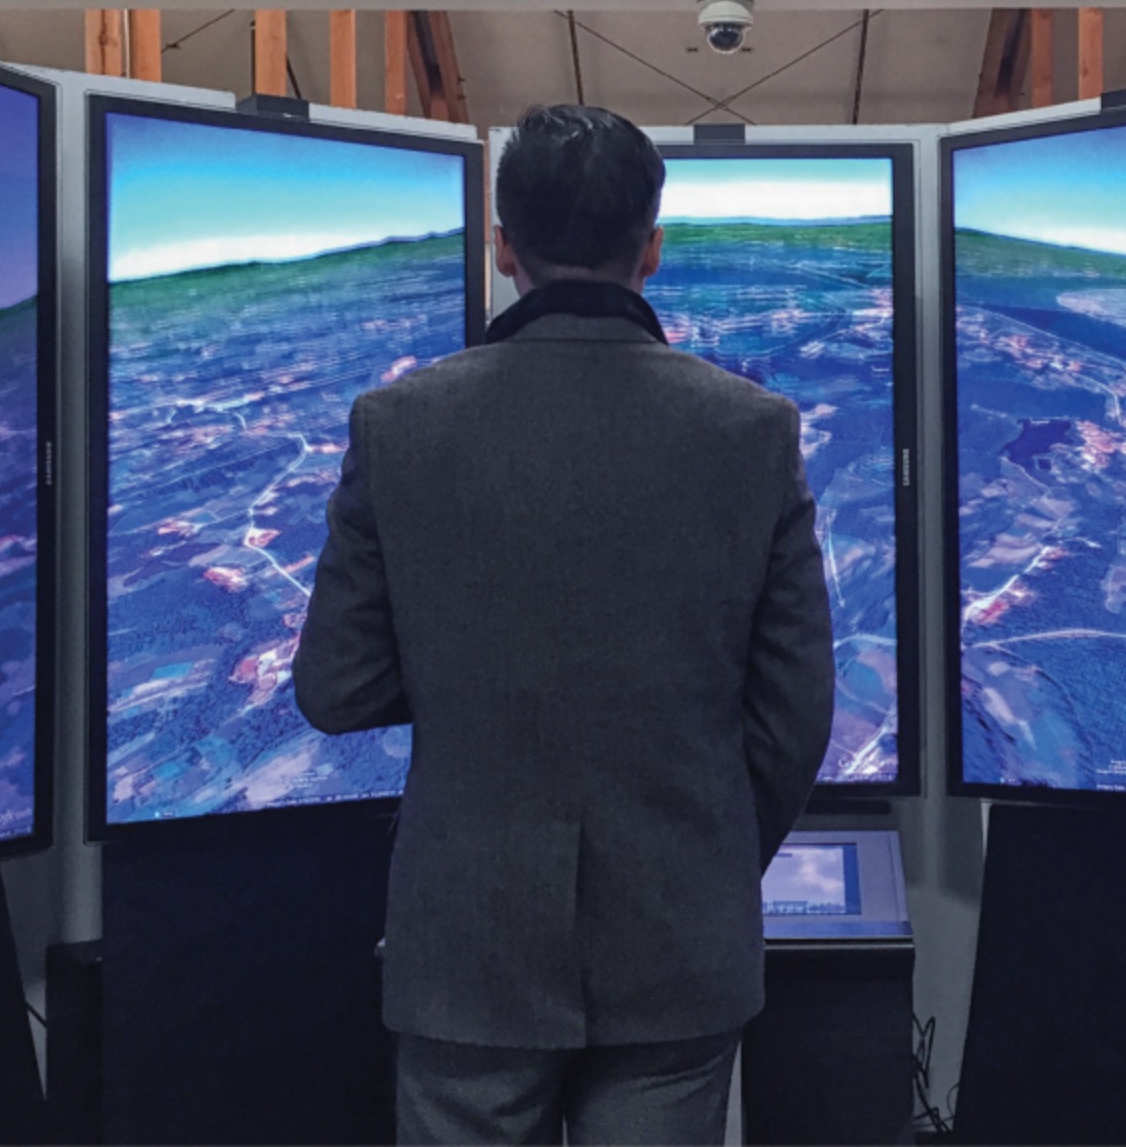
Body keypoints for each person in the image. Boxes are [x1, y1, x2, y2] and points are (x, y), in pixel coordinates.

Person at [292, 104, 836, 1146]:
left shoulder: (398, 425)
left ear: (502, 250)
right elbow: (795, 713)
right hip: (679, 938)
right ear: (653, 249)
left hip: (468, 947)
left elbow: (335, 688)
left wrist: (471, 663)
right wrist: (707, 855)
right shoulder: (751, 431)